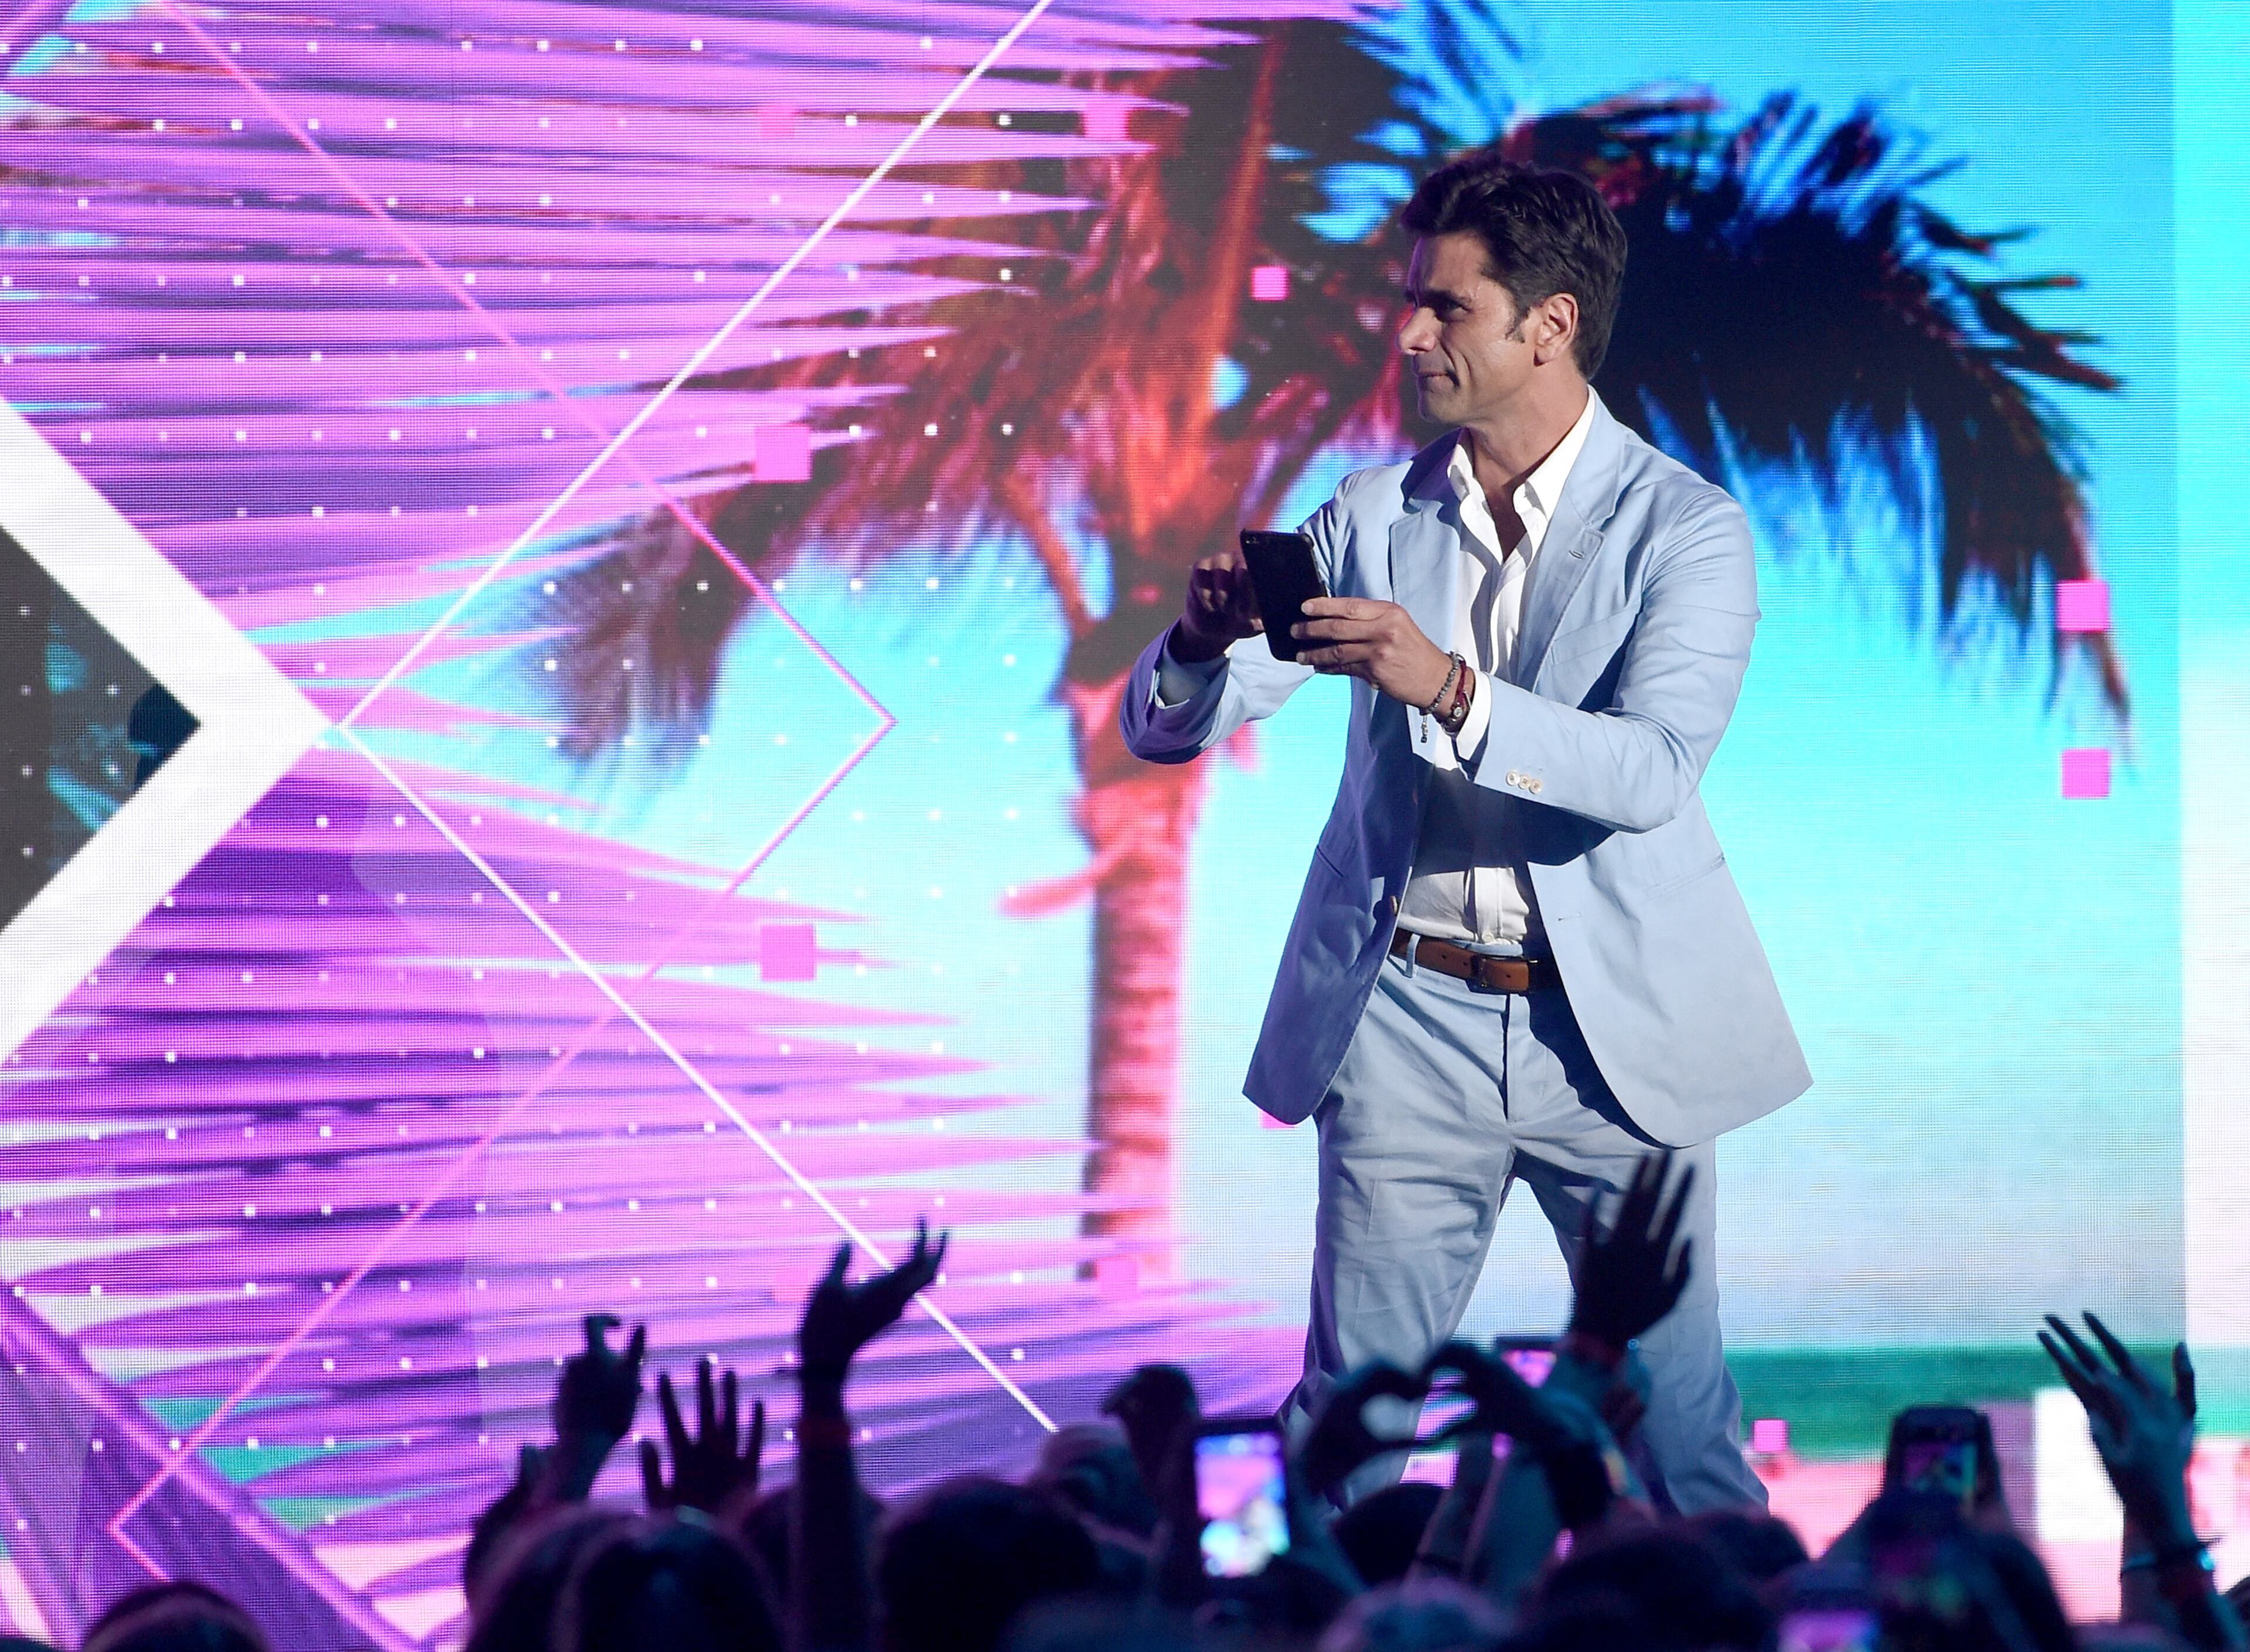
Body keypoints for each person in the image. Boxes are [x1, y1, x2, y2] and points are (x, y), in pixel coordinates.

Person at [1119, 148, 1810, 1511]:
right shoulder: (1377, 510)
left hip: (1618, 1033)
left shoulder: (1688, 528)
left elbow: (1653, 771)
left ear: (1549, 325)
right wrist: (1199, 644)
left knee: (1676, 1430)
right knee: (1348, 1430)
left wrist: (1444, 683)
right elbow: (1172, 727)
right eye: (1413, 303)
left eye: (1449, 307)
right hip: (1405, 1020)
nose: (1412, 333)